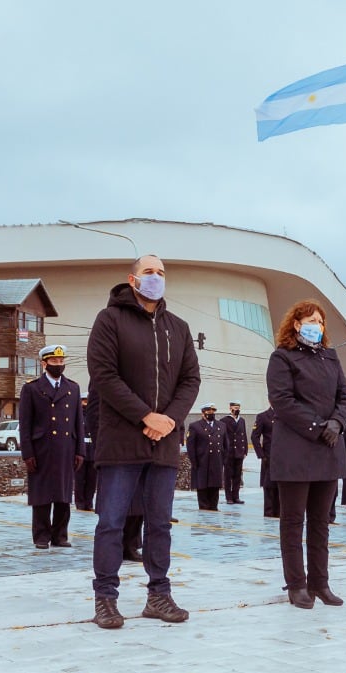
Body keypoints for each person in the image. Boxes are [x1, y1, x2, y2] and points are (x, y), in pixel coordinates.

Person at [86, 254, 199, 629]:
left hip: (163, 443)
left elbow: (190, 380)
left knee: (160, 524)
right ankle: (105, 598)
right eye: (149, 271)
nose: (156, 277)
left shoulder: (178, 328)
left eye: (161, 272)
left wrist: (169, 420)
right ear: (132, 280)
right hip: (121, 443)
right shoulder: (110, 320)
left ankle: (159, 595)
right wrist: (143, 416)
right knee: (112, 522)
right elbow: (103, 374)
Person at [266, 300, 346, 609]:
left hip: (329, 449)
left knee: (320, 522)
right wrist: (318, 427)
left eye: (321, 321)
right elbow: (283, 401)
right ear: (297, 324)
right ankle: (297, 584)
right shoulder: (282, 358)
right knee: (293, 522)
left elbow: (345, 396)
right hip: (296, 452)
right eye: (312, 320)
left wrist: (337, 422)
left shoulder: (330, 357)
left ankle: (320, 583)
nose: (318, 325)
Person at [20, 344, 84, 550]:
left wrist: (80, 450)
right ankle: (41, 536)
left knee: (64, 494)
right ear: (44, 363)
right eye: (54, 361)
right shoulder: (32, 388)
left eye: (61, 361)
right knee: (42, 494)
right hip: (42, 449)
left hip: (66, 448)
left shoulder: (73, 388)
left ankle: (60, 535)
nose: (59, 364)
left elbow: (78, 422)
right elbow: (25, 424)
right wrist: (27, 453)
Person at [84, 383, 144, 562]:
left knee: (138, 501)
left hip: (140, 444)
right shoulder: (104, 377)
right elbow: (94, 415)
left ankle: (132, 545)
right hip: (113, 447)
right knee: (114, 504)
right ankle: (113, 546)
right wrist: (101, 444)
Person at [187, 403, 228, 510]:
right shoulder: (195, 426)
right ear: (203, 413)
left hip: (217, 461)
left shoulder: (221, 425)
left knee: (215, 486)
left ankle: (214, 507)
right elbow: (191, 446)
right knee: (202, 486)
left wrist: (223, 460)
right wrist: (194, 462)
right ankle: (204, 507)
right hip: (202, 461)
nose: (211, 414)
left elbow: (226, 445)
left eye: (213, 412)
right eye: (208, 412)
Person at [219, 402, 249, 505]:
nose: (237, 409)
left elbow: (244, 436)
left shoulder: (241, 420)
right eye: (235, 408)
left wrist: (245, 450)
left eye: (238, 408)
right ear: (230, 408)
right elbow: (222, 437)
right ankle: (229, 497)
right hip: (229, 452)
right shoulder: (224, 421)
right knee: (228, 476)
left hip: (239, 452)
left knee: (237, 475)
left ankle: (236, 496)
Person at [252, 406, 278, 518]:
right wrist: (261, 455)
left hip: (283, 457)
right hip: (269, 456)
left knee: (281, 485)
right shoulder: (263, 416)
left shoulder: (285, 415)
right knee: (269, 485)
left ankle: (279, 512)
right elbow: (255, 437)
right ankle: (269, 512)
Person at [75, 392, 98, 511]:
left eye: (87, 401)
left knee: (91, 480)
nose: (86, 403)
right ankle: (80, 502)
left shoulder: (94, 415)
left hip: (93, 450)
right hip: (81, 450)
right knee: (79, 479)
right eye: (83, 401)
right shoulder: (77, 416)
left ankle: (89, 502)